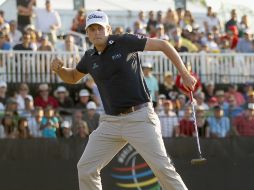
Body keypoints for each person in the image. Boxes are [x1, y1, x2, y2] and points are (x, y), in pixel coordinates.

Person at [51, 10, 196, 190]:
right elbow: (72, 77)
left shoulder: (124, 41)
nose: (97, 32)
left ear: (108, 29)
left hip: (140, 117)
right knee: (86, 167)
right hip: (111, 122)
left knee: (162, 168)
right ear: (87, 33)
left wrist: (184, 73)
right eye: (92, 29)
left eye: (100, 28)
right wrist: (60, 70)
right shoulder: (89, 57)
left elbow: (163, 45)